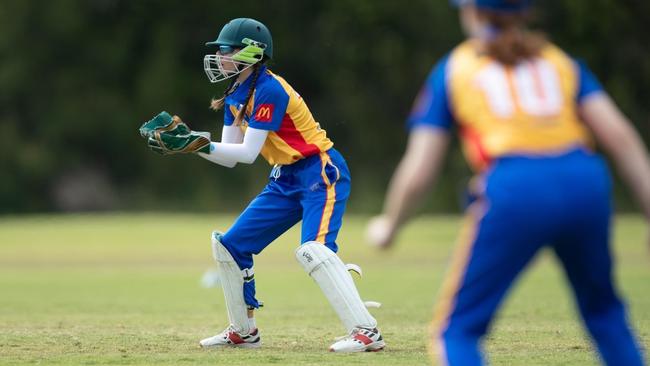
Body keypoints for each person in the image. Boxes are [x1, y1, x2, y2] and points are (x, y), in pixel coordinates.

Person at [366, 0, 649, 364]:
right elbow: (620, 137)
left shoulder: (455, 68)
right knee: (606, 314)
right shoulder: (558, 61)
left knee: (458, 332)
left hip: (517, 187)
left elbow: (420, 168)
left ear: (472, 13)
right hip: (585, 181)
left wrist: (390, 225)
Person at [139, 18, 384, 353]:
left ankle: (367, 332)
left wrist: (197, 144)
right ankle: (243, 331)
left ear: (253, 52)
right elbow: (229, 156)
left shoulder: (268, 89)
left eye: (228, 50)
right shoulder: (234, 94)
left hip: (320, 172)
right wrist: (192, 145)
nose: (221, 57)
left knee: (314, 250)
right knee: (230, 246)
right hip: (285, 178)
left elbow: (249, 152)